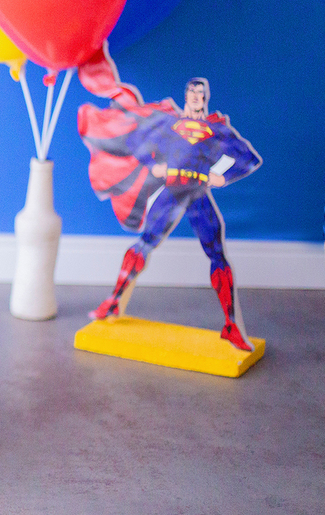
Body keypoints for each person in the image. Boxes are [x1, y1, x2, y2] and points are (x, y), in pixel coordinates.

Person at [79, 74, 261, 351]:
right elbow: (139, 143)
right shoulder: (168, 124)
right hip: (172, 191)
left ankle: (231, 325)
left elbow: (247, 157)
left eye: (201, 94)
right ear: (186, 96)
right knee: (144, 244)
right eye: (192, 93)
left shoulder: (216, 130)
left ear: (205, 97)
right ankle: (113, 301)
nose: (196, 98)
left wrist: (223, 176)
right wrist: (153, 166)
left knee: (217, 255)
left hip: (198, 193)